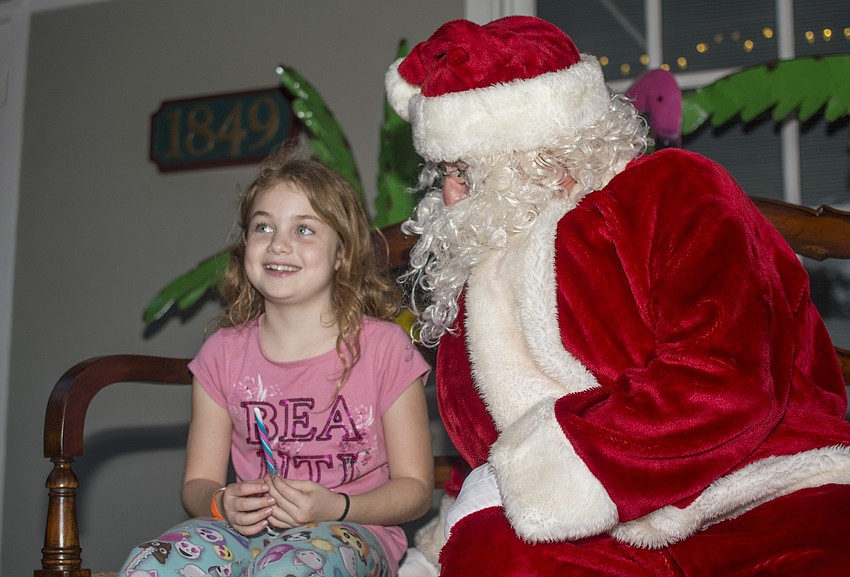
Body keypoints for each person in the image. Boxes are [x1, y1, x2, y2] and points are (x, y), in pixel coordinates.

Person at [386, 15, 850, 576]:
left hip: (754, 485)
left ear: (546, 154)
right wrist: (447, 538)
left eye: (464, 170)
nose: (450, 195)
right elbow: (487, 457)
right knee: (493, 554)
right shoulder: (476, 276)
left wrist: (564, 467)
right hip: (587, 529)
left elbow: (729, 374)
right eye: (442, 172)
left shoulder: (673, 191)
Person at [119, 148, 433, 577]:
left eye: (304, 229)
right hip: (242, 535)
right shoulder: (222, 355)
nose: (278, 243)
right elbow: (197, 485)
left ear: (341, 253)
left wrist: (338, 506)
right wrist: (221, 502)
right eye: (263, 226)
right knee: (152, 566)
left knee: (286, 569)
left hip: (354, 531)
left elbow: (416, 490)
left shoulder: (385, 349)